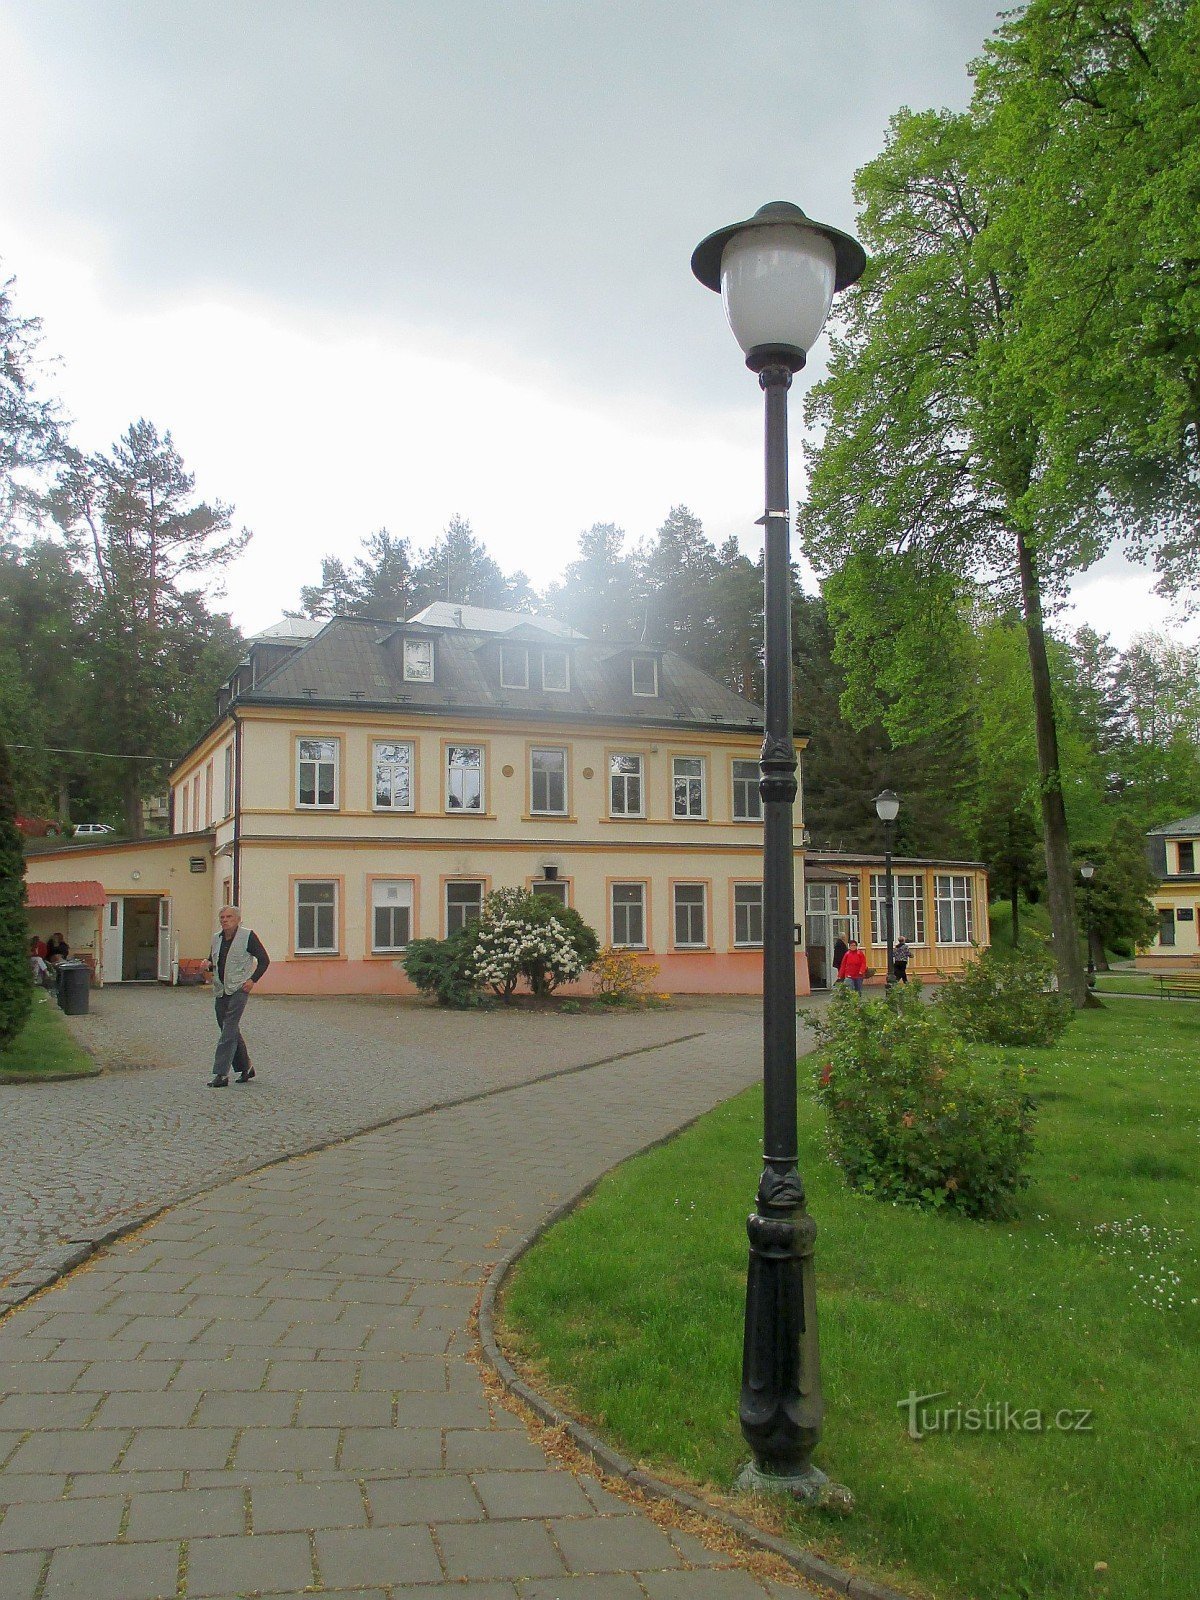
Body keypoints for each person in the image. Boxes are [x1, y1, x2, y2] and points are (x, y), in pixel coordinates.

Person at [205, 905, 269, 1087]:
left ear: (238, 919)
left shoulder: (247, 936)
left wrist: (252, 980)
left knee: (229, 1029)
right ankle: (246, 1067)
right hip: (220, 989)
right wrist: (207, 965)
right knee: (228, 1028)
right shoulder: (216, 939)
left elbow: (264, 960)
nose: (225, 920)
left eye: (229, 917)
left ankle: (221, 1074)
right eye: (222, 917)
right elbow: (213, 961)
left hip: (239, 988)